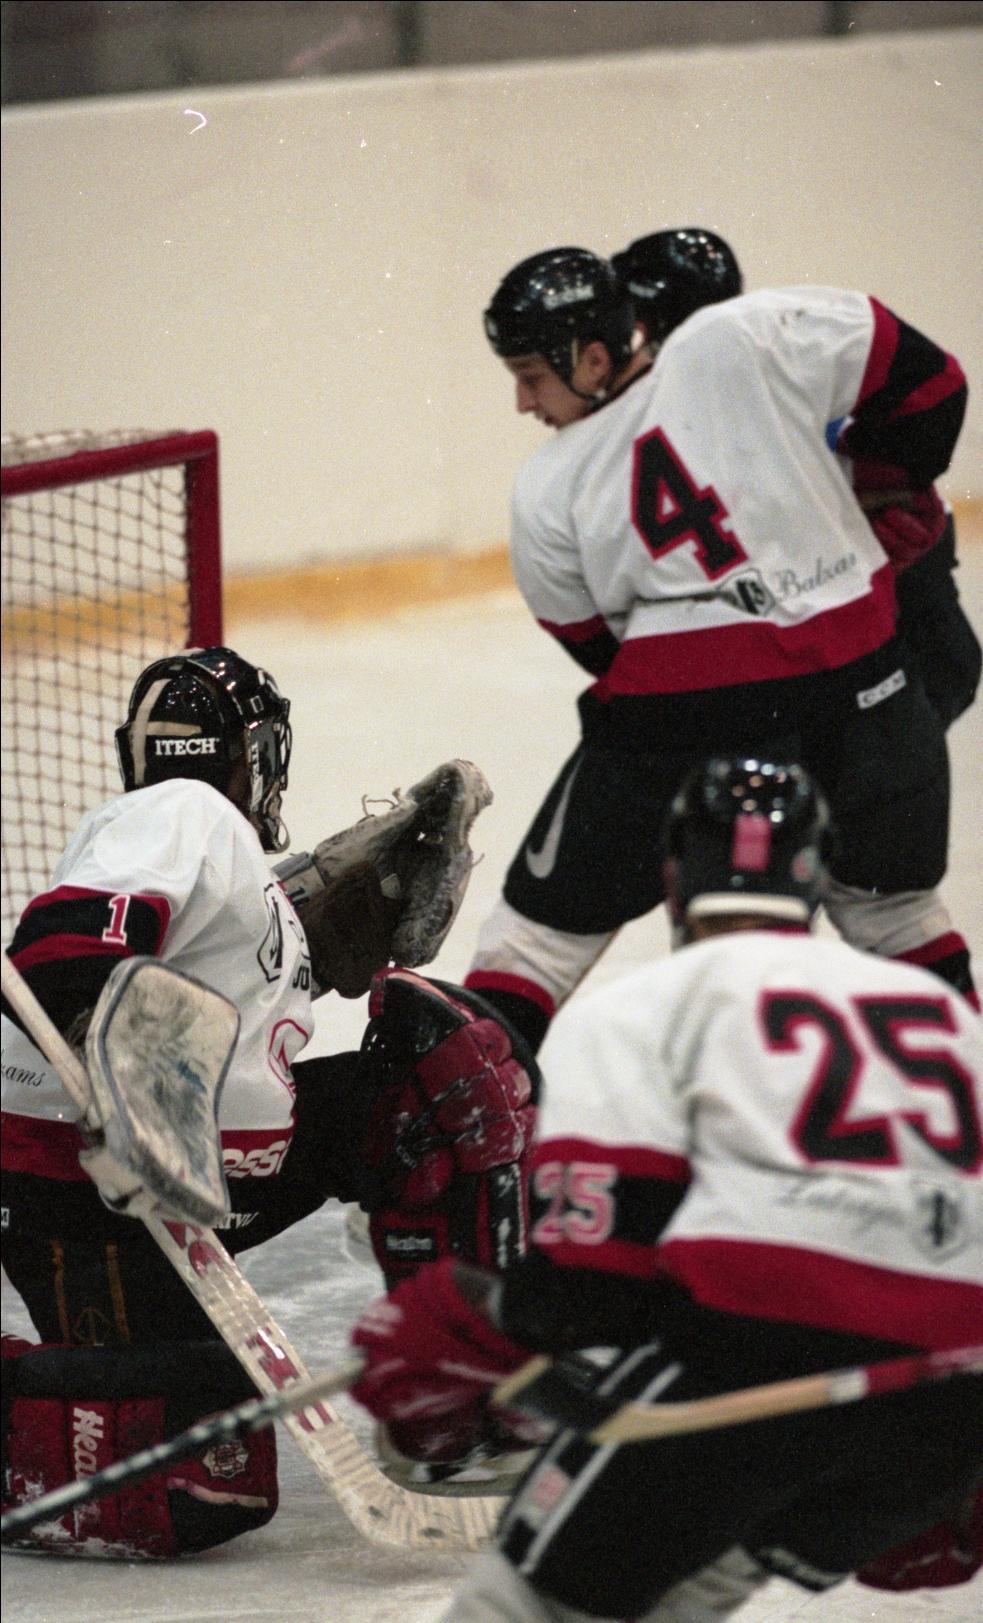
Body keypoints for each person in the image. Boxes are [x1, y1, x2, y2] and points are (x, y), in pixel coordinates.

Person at [349, 756, 983, 1621]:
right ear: (813, 876)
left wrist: (476, 1325)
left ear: (675, 877)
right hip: (949, 1395)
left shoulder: (641, 1009)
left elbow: (591, 1285)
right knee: (689, 1597)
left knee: (522, 1605)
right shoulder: (943, 1015)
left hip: (746, 1363)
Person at [1, 646, 538, 1557]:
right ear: (249, 752)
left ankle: (457, 1406)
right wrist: (132, 1103)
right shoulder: (186, 811)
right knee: (204, 1482)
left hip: (201, 1179)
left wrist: (333, 907)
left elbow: (207, 979)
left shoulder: (208, 854)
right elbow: (59, 954)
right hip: (94, 1201)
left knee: (432, 1073)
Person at [463, 245, 978, 1054]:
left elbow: (595, 645)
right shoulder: (740, 337)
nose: (521, 401)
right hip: (869, 687)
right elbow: (931, 381)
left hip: (678, 725)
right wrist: (882, 485)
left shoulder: (545, 484)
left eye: (529, 375)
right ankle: (960, 1090)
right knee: (896, 912)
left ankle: (460, 1105)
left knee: (532, 939)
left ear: (591, 357)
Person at [612, 226, 982, 736]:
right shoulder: (774, 359)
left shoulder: (697, 398)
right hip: (846, 627)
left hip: (845, 626)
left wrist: (893, 497)